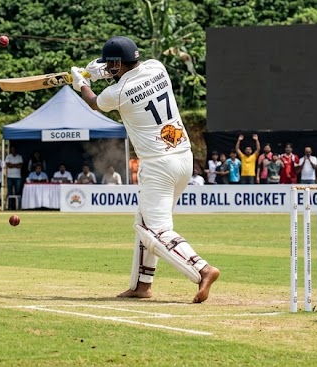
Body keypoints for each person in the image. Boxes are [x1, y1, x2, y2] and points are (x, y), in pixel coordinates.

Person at [72, 36, 219, 303]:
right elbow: (125, 76)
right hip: (183, 158)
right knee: (144, 222)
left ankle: (201, 269)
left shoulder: (118, 93)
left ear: (118, 63)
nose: (109, 68)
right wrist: (103, 70)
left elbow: (94, 101)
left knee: (155, 230)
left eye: (111, 64)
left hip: (158, 165)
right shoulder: (156, 67)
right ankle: (142, 285)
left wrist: (82, 83)